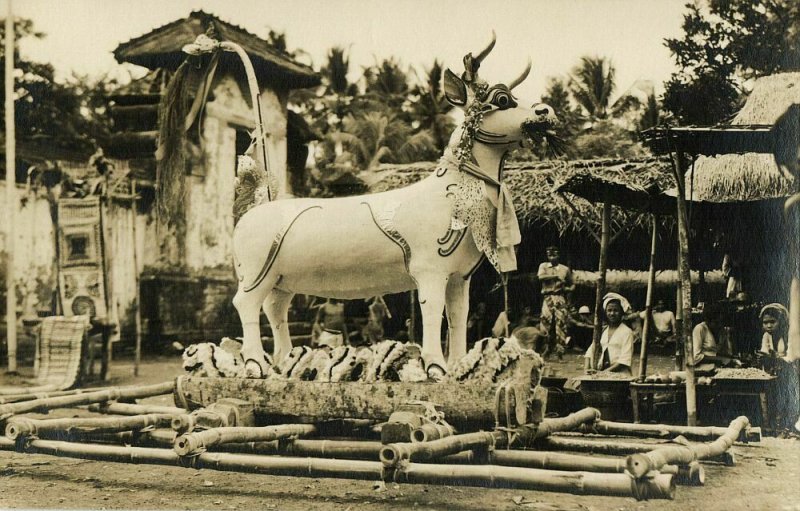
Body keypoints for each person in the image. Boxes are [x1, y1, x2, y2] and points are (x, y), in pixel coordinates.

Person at [537, 246, 574, 359]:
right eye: (549, 254)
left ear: (559, 255)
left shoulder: (565, 269)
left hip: (559, 297)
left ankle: (560, 352)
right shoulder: (543, 266)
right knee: (545, 323)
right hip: (548, 297)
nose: (552, 256)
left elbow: (572, 284)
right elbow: (541, 277)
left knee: (561, 325)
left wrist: (569, 289)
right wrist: (556, 277)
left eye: (554, 254)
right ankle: (545, 350)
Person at [584, 294, 635, 374]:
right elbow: (590, 352)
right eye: (609, 310)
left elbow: (624, 360)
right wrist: (586, 370)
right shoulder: (603, 331)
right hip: (602, 372)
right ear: (605, 312)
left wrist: (602, 373)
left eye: (616, 310)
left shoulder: (627, 332)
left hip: (620, 374)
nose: (612, 313)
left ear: (621, 312)